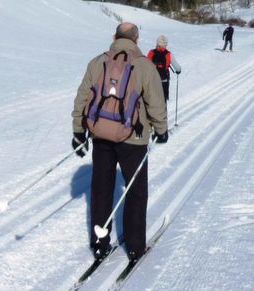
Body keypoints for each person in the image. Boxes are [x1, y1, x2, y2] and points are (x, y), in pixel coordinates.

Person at [72, 22, 168, 261]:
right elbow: (155, 101)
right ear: (136, 40)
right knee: (136, 191)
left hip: (101, 135)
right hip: (133, 139)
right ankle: (135, 246)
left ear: (114, 37)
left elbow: (82, 98)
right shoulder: (144, 66)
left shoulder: (97, 63)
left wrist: (78, 132)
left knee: (102, 188)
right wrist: (161, 129)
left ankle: (99, 243)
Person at [147, 35, 181, 102]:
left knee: (151, 101)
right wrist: (178, 71)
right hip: (164, 80)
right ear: (166, 44)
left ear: (157, 43)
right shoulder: (168, 54)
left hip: (152, 81)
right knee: (163, 100)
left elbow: (145, 65)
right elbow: (178, 68)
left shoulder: (151, 53)